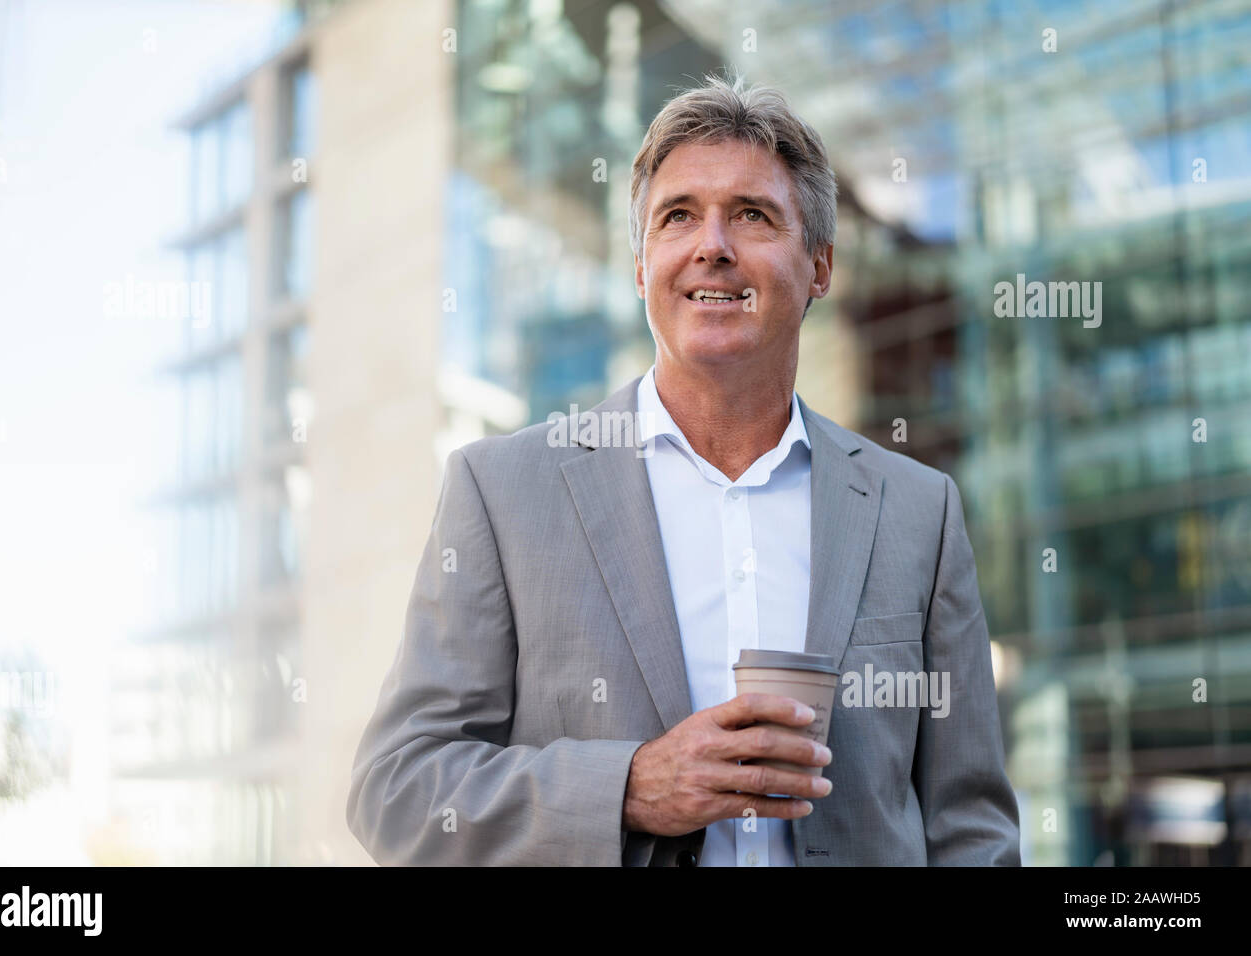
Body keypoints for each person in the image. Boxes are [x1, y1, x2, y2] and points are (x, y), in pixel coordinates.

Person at [346, 72, 1021, 866]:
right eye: (678, 217)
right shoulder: (501, 493)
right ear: (641, 269)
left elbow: (970, 829)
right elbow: (396, 789)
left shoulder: (920, 511)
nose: (713, 245)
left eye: (753, 215)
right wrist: (628, 788)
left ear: (821, 266)